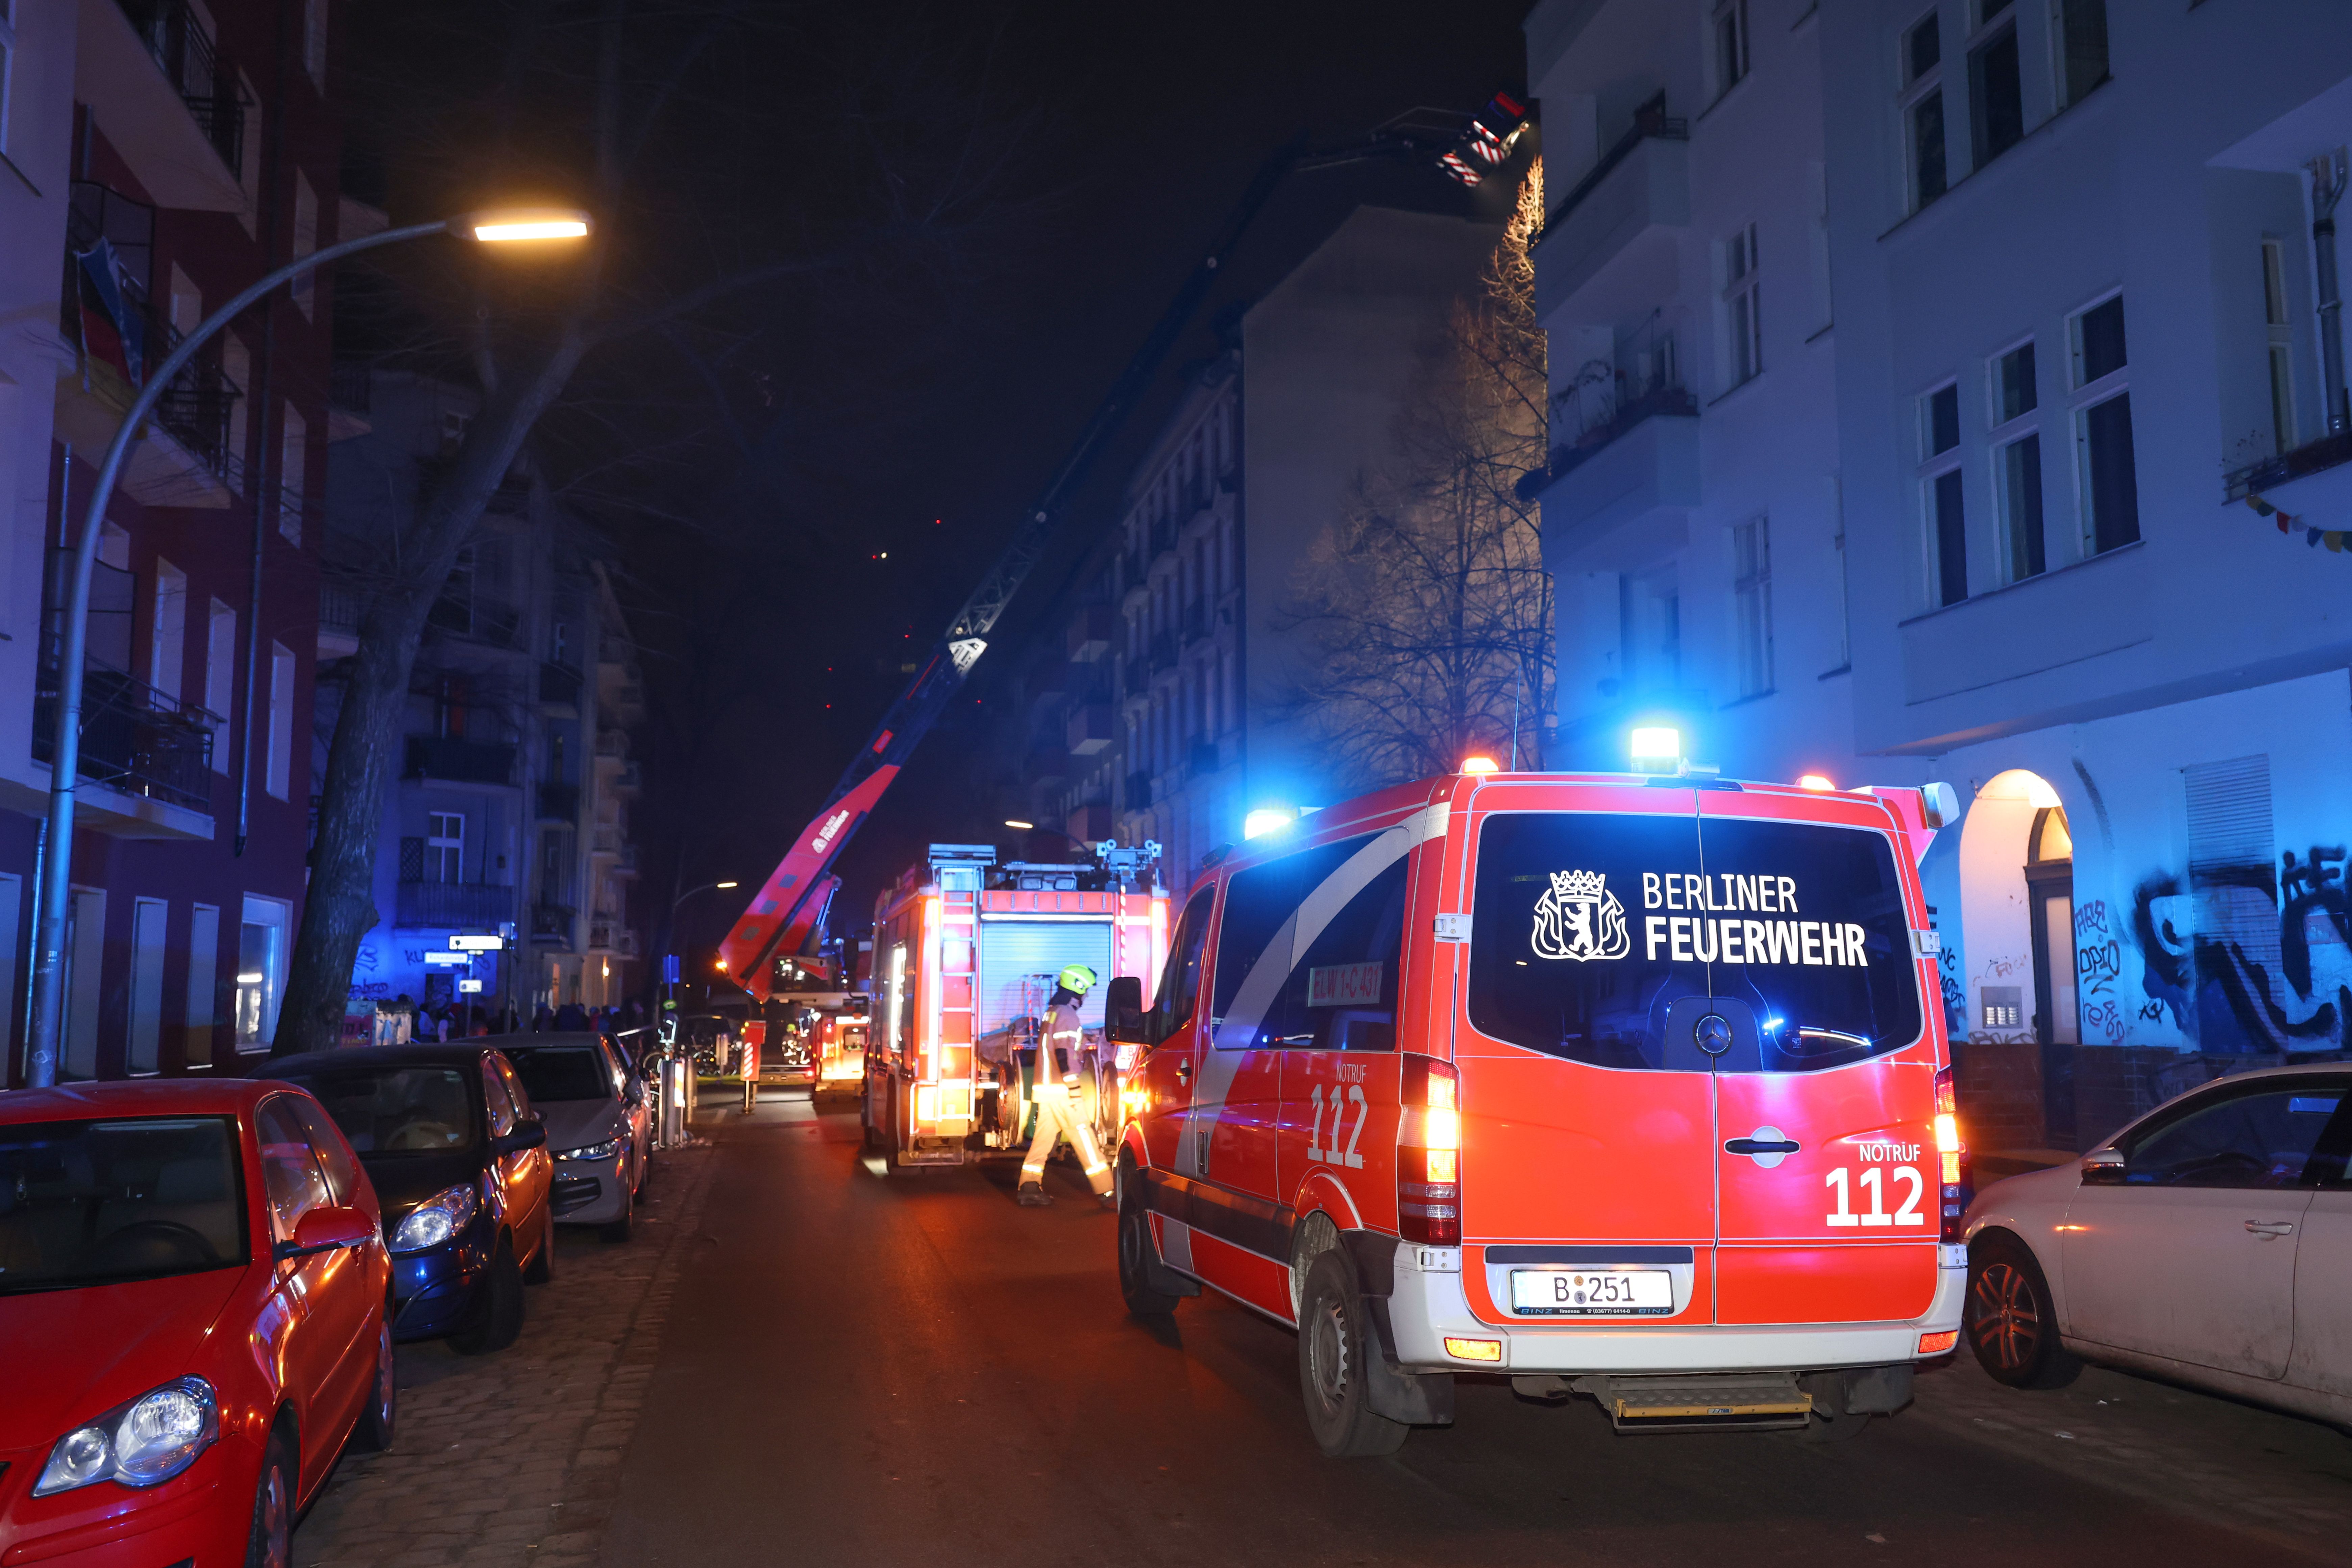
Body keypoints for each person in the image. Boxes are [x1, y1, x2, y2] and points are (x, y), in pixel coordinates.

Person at [1018, 965, 1113, 1209]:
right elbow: (1063, 1054)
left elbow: (1057, 1047)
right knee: (1085, 1137)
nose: (1087, 996)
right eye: (1086, 991)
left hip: (1047, 1089)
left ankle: (1029, 1187)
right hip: (1063, 1091)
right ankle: (1107, 1191)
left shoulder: (1053, 1012)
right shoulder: (1068, 1015)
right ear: (1077, 989)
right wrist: (1074, 1088)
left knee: (1043, 1141)